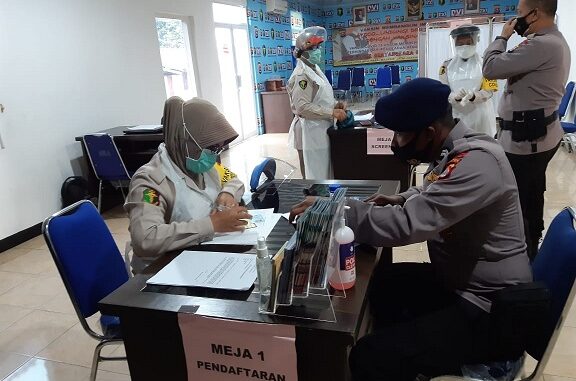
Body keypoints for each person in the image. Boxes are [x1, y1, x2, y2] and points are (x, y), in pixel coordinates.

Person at [290, 78, 532, 380]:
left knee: (370, 357)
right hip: (462, 282)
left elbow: (406, 226)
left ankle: (422, 359)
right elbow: (434, 189)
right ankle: (411, 356)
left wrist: (336, 209)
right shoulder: (455, 149)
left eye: (401, 134)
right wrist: (399, 197)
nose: (395, 143)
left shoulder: (477, 162)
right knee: (384, 284)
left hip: (488, 306)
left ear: (429, 132)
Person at [482, 0, 570, 260]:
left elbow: (491, 68)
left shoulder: (543, 44)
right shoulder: (550, 40)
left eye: (519, 15)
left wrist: (502, 37)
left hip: (528, 139)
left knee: (520, 199)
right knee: (530, 193)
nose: (516, 20)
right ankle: (529, 246)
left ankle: (523, 255)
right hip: (533, 134)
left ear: (535, 14)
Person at [124, 97, 251, 273]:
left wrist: (228, 193)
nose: (215, 156)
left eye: (219, 149)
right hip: (163, 273)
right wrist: (211, 224)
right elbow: (146, 238)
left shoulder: (205, 166)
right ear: (186, 141)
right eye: (212, 148)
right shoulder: (150, 183)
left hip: (201, 259)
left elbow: (234, 180)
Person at [287, 26, 347, 179]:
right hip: (308, 131)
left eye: (319, 47)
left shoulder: (315, 69)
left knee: (323, 171)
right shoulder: (302, 75)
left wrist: (335, 105)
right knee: (313, 174)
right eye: (313, 48)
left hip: (319, 128)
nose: (318, 51)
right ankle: (315, 202)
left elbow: (321, 97)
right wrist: (331, 112)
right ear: (302, 51)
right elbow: (303, 107)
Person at [439, 24, 497, 136]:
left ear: (475, 41)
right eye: (460, 44)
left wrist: (474, 96)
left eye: (468, 43)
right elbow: (443, 88)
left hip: (481, 117)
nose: (464, 46)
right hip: (457, 115)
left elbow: (489, 90)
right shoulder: (446, 66)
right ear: (455, 43)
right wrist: (453, 96)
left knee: (482, 146)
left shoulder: (485, 63)